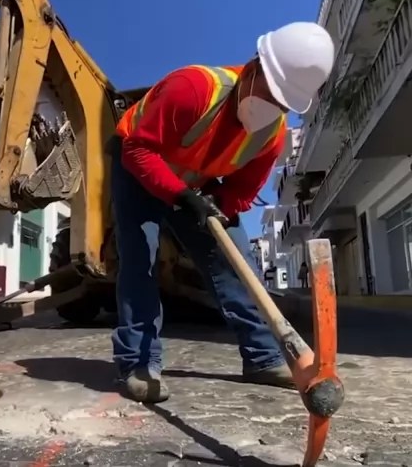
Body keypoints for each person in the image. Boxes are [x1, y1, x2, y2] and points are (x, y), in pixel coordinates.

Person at [109, 22, 334, 404]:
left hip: (197, 185)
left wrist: (218, 212)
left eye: (284, 103)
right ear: (254, 67)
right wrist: (182, 196)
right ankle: (139, 363)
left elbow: (242, 193)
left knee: (234, 261)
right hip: (139, 164)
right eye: (272, 93)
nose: (273, 107)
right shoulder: (194, 88)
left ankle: (263, 357)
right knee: (139, 259)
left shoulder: (271, 136)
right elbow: (138, 151)